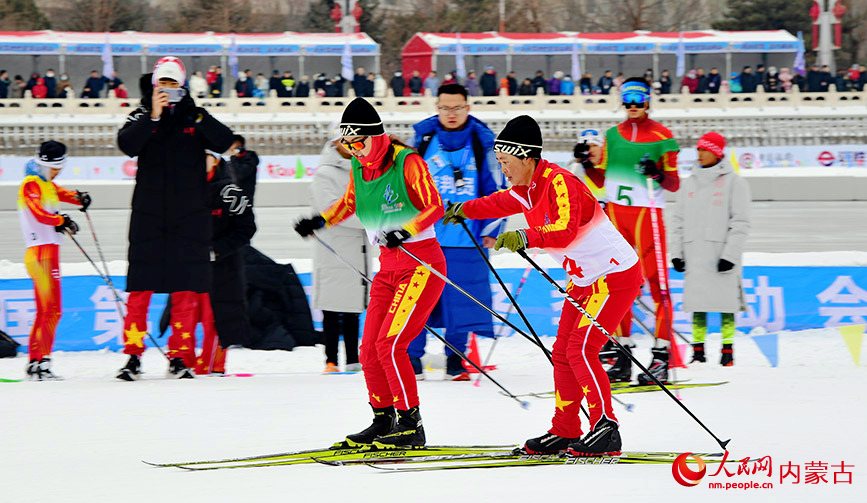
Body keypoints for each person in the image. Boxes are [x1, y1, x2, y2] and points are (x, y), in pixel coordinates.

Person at [442, 115, 641, 455]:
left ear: (525, 156)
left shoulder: (559, 181)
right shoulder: (525, 191)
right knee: (562, 352)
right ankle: (565, 429)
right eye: (498, 161)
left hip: (613, 275)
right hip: (584, 280)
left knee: (581, 349)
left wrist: (525, 236)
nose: (503, 169)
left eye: (505, 161)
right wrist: (463, 209)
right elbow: (496, 202)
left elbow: (565, 229)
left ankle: (606, 428)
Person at [294, 97, 445, 448]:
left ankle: (411, 424)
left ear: (375, 136)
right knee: (369, 350)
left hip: (421, 265)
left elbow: (435, 206)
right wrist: (319, 221)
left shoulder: (407, 162)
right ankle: (383, 419)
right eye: (348, 145)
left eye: (358, 143)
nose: (354, 150)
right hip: (388, 268)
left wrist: (405, 230)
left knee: (391, 346)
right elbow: (350, 203)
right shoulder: (359, 168)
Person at [115, 56, 234, 381]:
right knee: (140, 290)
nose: (167, 90)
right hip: (149, 218)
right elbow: (127, 144)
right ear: (154, 86)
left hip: (189, 219)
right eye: (162, 84)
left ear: (183, 87)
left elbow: (225, 141)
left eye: (173, 84)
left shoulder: (195, 116)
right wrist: (152, 117)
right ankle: (133, 355)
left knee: (186, 290)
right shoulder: (141, 114)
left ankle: (180, 356)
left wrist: (198, 116)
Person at [580, 78, 680, 385]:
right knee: (619, 286)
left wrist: (658, 173)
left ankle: (661, 358)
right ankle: (622, 356)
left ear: (648, 101)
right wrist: (587, 164)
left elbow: (674, 184)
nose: (633, 106)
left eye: (638, 100)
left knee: (657, 287)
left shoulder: (663, 137)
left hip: (646, 217)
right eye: (627, 100)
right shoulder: (612, 135)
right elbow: (601, 179)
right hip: (616, 217)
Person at [407, 83, 505, 381]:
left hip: (468, 237)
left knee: (462, 301)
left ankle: (456, 360)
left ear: (468, 108)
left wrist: (493, 227)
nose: (451, 114)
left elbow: (497, 188)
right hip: (424, 237)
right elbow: (404, 185)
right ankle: (412, 359)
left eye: (457, 108)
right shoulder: (422, 139)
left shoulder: (483, 142)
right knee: (417, 300)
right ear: (437, 108)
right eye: (445, 108)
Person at [669, 132, 750, 367]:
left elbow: (741, 222)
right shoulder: (689, 183)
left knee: (725, 304)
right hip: (695, 255)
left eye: (705, 150)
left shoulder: (735, 182)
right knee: (698, 305)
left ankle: (727, 351)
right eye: (698, 150)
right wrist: (676, 253)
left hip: (720, 256)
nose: (700, 154)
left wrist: (730, 255)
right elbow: (677, 221)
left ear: (717, 153)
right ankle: (698, 351)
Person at [18, 141, 89, 379]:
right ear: (44, 164)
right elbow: (39, 213)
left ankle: (36, 362)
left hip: (47, 252)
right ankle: (42, 363)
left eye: (60, 168)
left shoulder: (46, 184)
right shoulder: (31, 184)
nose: (57, 172)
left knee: (46, 311)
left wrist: (80, 198)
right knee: (52, 311)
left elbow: (63, 194)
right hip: (40, 253)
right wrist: (61, 221)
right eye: (55, 168)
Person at [310, 134, 368, 373]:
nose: (351, 145)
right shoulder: (325, 173)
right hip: (334, 249)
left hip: (357, 249)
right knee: (332, 308)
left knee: (353, 308)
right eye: (344, 140)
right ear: (335, 142)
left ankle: (353, 359)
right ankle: (331, 360)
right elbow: (333, 211)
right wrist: (371, 220)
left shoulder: (363, 169)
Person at [196, 150, 256, 374]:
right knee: (185, 316)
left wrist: (217, 250)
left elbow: (247, 228)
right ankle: (184, 361)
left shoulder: (230, 191)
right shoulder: (183, 190)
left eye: (204, 156)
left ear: (216, 160)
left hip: (223, 268)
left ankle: (212, 364)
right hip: (191, 266)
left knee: (216, 318)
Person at [569, 129, 606, 203]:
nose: (591, 150)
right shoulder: (576, 169)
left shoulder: (612, 167)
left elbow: (601, 183)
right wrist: (580, 162)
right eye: (587, 147)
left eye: (594, 145)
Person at [227, 134, 259, 204]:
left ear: (239, 144)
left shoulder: (249, 159)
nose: (229, 148)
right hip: (232, 197)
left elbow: (239, 175)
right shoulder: (232, 161)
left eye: (231, 144)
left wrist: (234, 158)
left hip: (245, 198)